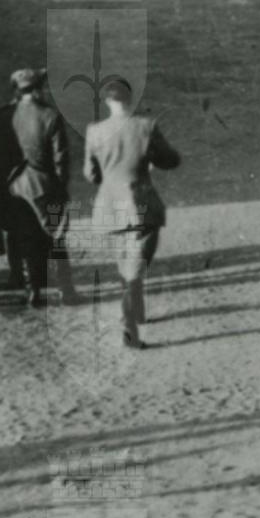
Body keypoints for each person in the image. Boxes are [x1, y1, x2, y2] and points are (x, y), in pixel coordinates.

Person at [85, 75, 181, 349]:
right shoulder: (145, 126)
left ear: (107, 102)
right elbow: (170, 160)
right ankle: (129, 326)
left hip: (109, 206)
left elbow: (91, 174)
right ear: (131, 99)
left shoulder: (94, 131)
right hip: (140, 204)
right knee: (137, 267)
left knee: (124, 262)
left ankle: (137, 311)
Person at [1, 68, 81, 308]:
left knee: (25, 237)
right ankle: (65, 290)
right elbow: (60, 159)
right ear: (37, 89)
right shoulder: (49, 116)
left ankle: (32, 290)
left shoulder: (4, 115)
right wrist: (62, 189)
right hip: (45, 185)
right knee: (56, 236)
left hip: (14, 186)